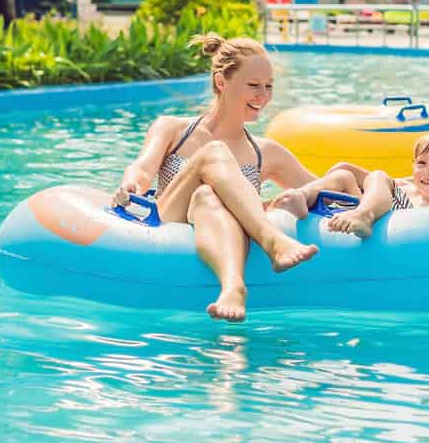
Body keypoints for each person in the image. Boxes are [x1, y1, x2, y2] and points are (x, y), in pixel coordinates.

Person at [111, 33, 321, 323]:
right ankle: (273, 242)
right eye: (253, 86)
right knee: (215, 152)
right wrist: (131, 184)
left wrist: (392, 185)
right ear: (222, 82)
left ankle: (233, 286)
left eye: (268, 87)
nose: (263, 96)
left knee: (207, 196)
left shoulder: (266, 152)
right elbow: (143, 168)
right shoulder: (173, 129)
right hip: (171, 216)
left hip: (217, 222)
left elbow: (318, 188)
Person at [277, 127, 429, 238]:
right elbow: (349, 171)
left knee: (379, 175)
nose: (428, 172)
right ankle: (300, 197)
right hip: (370, 208)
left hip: (386, 217)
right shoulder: (408, 187)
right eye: (422, 163)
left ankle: (364, 216)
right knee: (343, 173)